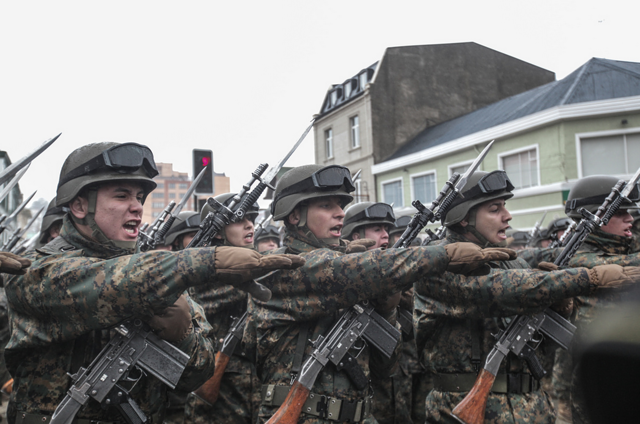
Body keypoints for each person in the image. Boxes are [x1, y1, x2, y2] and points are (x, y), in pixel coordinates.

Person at [2, 142, 305, 424]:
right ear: (80, 206)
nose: (136, 207)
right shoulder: (36, 269)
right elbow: (108, 282)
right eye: (121, 196)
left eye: (139, 197)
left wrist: (182, 334)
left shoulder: (160, 277)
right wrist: (203, 261)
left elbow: (197, 375)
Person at [243, 164, 521, 424]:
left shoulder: (349, 277)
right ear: (294, 214)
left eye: (341, 205)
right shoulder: (280, 268)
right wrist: (445, 254)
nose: (340, 212)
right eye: (326, 205)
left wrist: (387, 312)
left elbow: (383, 369)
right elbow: (352, 269)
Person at [413, 170, 640, 424]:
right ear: (464, 218)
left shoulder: (513, 262)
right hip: (467, 407)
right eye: (494, 209)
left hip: (530, 408)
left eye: (505, 207)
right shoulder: (437, 261)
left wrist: (558, 306)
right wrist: (588, 278)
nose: (507, 216)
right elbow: (500, 288)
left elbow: (547, 343)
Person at [184, 193, 261, 424]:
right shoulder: (206, 276)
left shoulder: (252, 267)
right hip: (221, 400)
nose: (250, 225)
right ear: (217, 231)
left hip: (254, 388)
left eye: (252, 219)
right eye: (240, 220)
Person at [342, 202, 407, 423]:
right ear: (356, 236)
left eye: (387, 230)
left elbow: (386, 366)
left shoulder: (387, 283)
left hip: (376, 403)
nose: (386, 236)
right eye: (377, 230)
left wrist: (388, 310)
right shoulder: (337, 282)